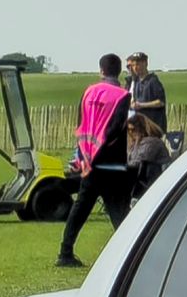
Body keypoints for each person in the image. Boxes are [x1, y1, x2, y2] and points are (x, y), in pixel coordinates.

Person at [57, 54, 134, 268]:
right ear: (118, 71)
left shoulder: (88, 92)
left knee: (80, 209)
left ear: (101, 70)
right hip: (111, 163)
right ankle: (131, 256)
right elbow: (115, 129)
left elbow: (82, 124)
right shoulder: (122, 96)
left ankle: (65, 251)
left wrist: (83, 155)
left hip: (89, 162)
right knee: (119, 213)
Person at [126, 114, 172, 198]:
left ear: (141, 129)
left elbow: (137, 163)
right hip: (142, 181)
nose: (130, 132)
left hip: (151, 183)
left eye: (132, 129)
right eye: (128, 130)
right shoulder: (137, 143)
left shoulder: (151, 143)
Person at [125, 52, 167, 132]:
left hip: (153, 126)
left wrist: (141, 105)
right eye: (133, 65)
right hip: (142, 127)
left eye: (137, 64)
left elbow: (160, 102)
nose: (135, 68)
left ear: (145, 64)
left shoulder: (153, 81)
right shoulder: (136, 82)